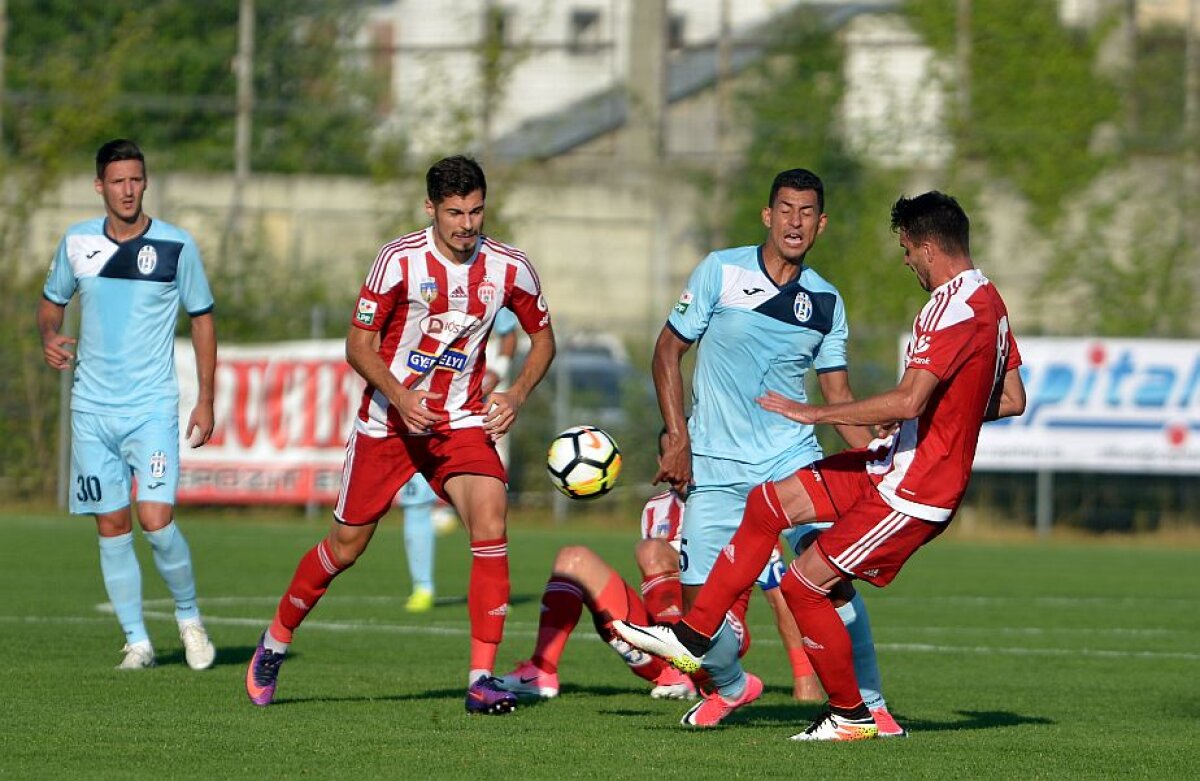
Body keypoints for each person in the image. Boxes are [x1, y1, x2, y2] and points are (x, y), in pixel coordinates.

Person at [616, 191, 1027, 741]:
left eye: (907, 250)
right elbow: (1010, 398)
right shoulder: (990, 301)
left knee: (806, 586)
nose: (906, 261)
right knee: (769, 507)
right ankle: (692, 639)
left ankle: (855, 713)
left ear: (928, 248)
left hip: (912, 486)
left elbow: (907, 400)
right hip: (879, 461)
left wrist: (818, 412)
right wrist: (935, 412)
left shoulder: (945, 307)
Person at [245, 155, 555, 715]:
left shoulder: (511, 268)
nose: (467, 224)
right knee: (346, 547)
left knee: (490, 514)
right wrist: (399, 393)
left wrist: (515, 395)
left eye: (477, 211)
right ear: (430, 208)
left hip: (458, 422)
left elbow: (544, 340)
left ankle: (482, 679)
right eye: (455, 212)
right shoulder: (398, 261)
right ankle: (274, 642)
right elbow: (357, 345)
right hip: (388, 421)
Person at [639, 168, 900, 729]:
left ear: (821, 223)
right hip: (713, 461)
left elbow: (837, 399)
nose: (795, 222)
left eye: (807, 212)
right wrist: (678, 440)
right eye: (785, 209)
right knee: (696, 614)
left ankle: (870, 703)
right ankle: (734, 686)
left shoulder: (827, 301)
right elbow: (666, 352)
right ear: (767, 215)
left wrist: (885, 459)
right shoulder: (721, 270)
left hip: (792, 459)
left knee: (831, 579)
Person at [37, 138, 218, 671]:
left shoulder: (175, 246)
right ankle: (137, 640)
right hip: (91, 411)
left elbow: (202, 317)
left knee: (157, 520)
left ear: (145, 182)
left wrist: (206, 400)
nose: (127, 189)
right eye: (117, 181)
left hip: (151, 409)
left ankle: (189, 618)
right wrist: (49, 335)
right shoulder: (76, 243)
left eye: (135, 179)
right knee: (112, 526)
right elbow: (51, 304)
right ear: (100, 187)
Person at [494, 431, 819, 703]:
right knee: (572, 558)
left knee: (652, 550)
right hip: (659, 648)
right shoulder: (655, 509)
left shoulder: (740, 508)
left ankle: (685, 664)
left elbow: (779, 595)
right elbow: (660, 591)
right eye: (671, 457)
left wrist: (804, 678)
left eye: (687, 456)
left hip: (716, 644)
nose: (679, 467)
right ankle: (542, 670)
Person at [400, 307, 518, 614]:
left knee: (485, 504)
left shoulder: (489, 276)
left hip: (471, 409)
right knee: (415, 500)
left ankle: (494, 587)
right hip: (423, 407)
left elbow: (509, 334)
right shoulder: (409, 273)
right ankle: (422, 587)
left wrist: (498, 371)